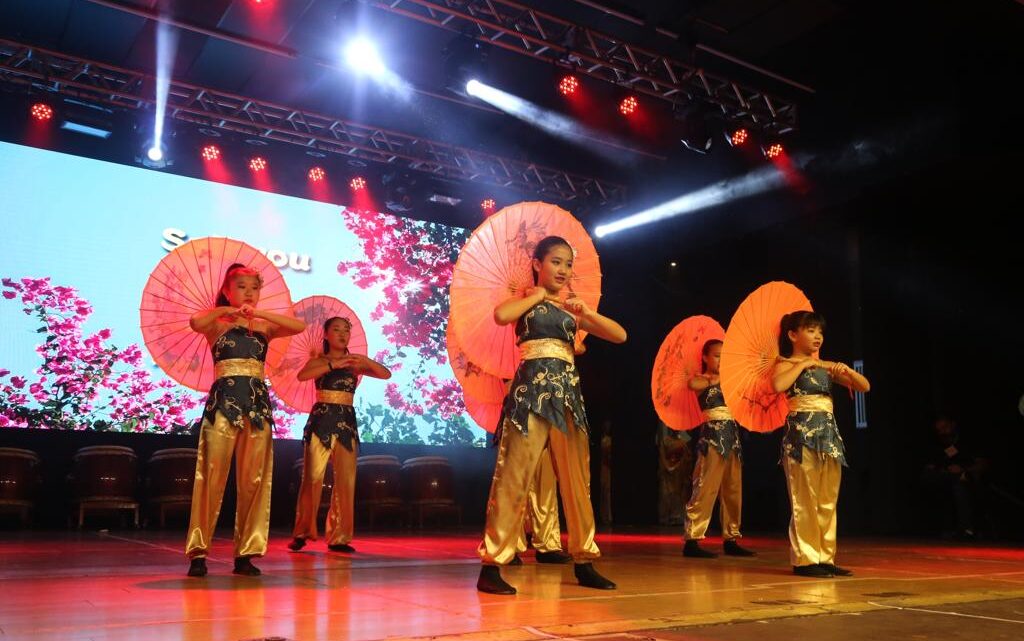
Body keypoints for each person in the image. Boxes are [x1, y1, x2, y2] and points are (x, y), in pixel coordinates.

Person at [477, 236, 627, 595]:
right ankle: (492, 564)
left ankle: (584, 560)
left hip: (568, 399)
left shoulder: (571, 310)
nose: (563, 270)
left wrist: (586, 314)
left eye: (568, 264)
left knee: (577, 481)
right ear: (537, 263)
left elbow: (620, 335)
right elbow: (501, 316)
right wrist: (537, 296)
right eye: (556, 262)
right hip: (530, 395)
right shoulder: (525, 300)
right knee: (513, 477)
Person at [185, 263, 305, 577]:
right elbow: (196, 321)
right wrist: (227, 309)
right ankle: (199, 553)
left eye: (254, 287)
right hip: (223, 404)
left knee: (255, 480)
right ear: (227, 289)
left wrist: (260, 315)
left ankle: (246, 553)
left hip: (257, 406)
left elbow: (298, 327)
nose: (249, 292)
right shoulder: (217, 325)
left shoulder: (264, 327)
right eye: (241, 286)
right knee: (210, 477)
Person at [772, 311, 870, 578]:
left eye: (820, 332)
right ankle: (805, 559)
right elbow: (778, 384)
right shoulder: (785, 364)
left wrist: (845, 370)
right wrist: (801, 365)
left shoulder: (826, 366)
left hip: (828, 436)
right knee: (804, 498)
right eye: (811, 330)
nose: (817, 336)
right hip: (801, 436)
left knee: (828, 499)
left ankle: (825, 557)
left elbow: (864, 386)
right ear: (793, 335)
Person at [288, 316, 391, 553]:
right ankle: (302, 532)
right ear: (325, 334)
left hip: (346, 423)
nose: (343, 334)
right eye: (337, 330)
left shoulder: (355, 363)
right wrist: (334, 365)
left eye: (347, 330)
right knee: (312, 479)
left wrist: (363, 360)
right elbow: (302, 376)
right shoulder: (318, 361)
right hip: (321, 421)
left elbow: (385, 375)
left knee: (346, 481)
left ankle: (340, 536)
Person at [682, 339, 754, 558]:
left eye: (724, 356)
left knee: (733, 488)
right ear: (705, 357)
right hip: (712, 437)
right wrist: (720, 379)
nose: (721, 360)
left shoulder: (730, 382)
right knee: (705, 486)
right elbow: (692, 386)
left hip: (732, 437)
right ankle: (692, 539)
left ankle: (731, 537)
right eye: (717, 355)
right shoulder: (702, 379)